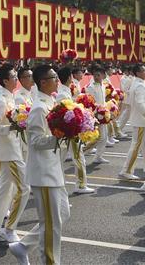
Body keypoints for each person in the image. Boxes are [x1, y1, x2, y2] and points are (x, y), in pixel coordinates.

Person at [8, 65, 71, 265]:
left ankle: (23, 246)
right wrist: (59, 137)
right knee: (51, 227)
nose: (57, 80)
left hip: (54, 170)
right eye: (53, 77)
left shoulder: (51, 102)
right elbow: (35, 141)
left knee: (62, 214)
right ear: (43, 82)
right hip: (44, 173)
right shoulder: (38, 108)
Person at [0, 63, 30, 243]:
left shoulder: (11, 98)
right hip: (10, 153)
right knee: (25, 188)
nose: (17, 79)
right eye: (14, 77)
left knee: (4, 192)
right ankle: (10, 229)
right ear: (6, 81)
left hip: (14, 148)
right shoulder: (2, 100)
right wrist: (11, 127)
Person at [55, 66, 94, 194]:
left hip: (69, 131)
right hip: (69, 131)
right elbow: (65, 114)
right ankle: (81, 185)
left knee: (60, 158)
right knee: (78, 157)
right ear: (69, 78)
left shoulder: (65, 91)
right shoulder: (62, 93)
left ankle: (59, 185)